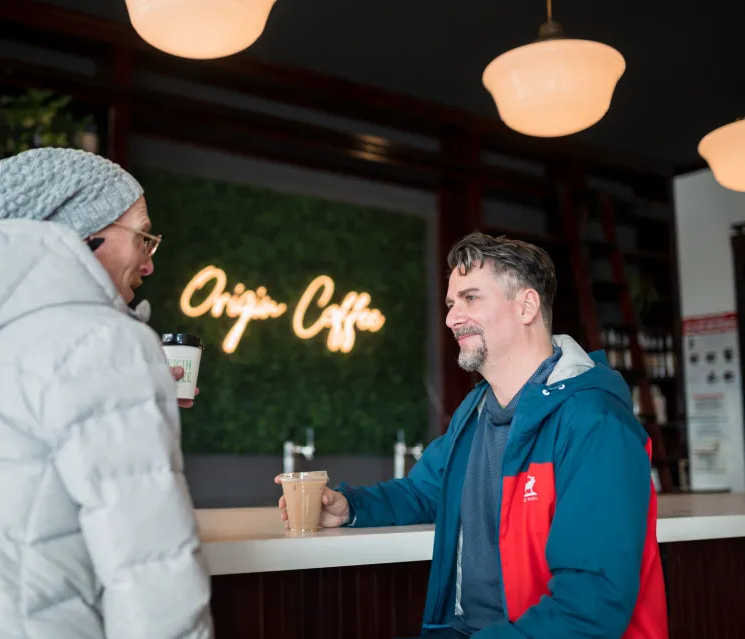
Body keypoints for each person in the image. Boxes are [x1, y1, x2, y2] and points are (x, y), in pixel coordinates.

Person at [0, 148, 213, 639]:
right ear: (87, 237)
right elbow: (150, 565)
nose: (149, 262)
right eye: (143, 238)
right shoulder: (103, 340)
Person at [277, 232, 667, 638]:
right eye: (451, 303)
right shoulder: (477, 411)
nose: (451, 317)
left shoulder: (594, 423)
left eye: (471, 298)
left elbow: (589, 607)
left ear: (527, 306)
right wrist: (350, 507)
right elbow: (427, 490)